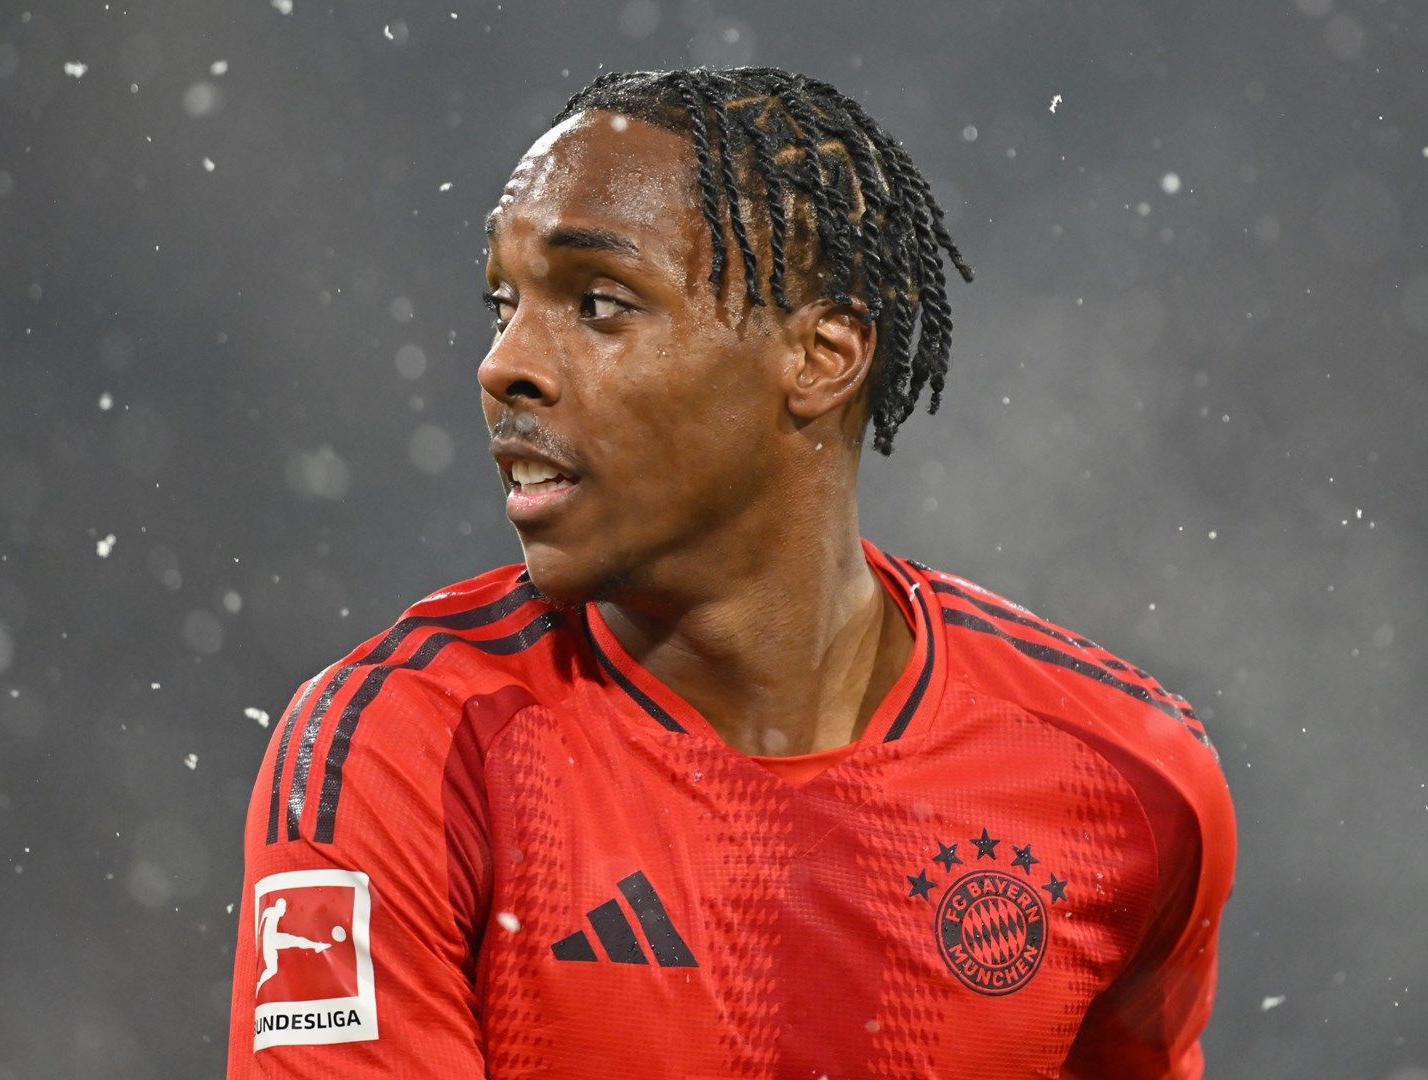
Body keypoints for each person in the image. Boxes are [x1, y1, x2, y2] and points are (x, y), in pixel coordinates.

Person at [228, 66, 1236, 1078]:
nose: (503, 365)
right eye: (504, 303)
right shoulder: (403, 747)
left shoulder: (1125, 775)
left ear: (822, 355)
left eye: (599, 303)